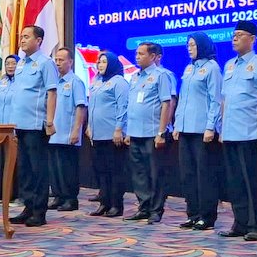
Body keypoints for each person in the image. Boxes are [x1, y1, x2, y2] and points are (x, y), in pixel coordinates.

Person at [219, 20, 257, 242]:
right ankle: (240, 223)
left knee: (254, 183)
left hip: (251, 132)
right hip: (231, 133)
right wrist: (222, 128)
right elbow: (225, 100)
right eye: (234, 34)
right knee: (236, 183)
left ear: (252, 39)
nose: (235, 38)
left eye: (240, 34)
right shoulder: (229, 66)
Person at [9, 26, 58, 226]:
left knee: (38, 170)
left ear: (38, 41)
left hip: (36, 125)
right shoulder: (21, 64)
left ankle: (39, 212)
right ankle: (28, 207)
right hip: (20, 124)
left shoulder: (46, 63)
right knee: (25, 171)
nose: (22, 40)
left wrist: (50, 121)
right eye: (21, 36)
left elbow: (52, 93)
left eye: (26, 37)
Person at [173, 32, 222, 231]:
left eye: (193, 45)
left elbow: (215, 100)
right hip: (185, 129)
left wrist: (210, 127)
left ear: (202, 45)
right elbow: (183, 99)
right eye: (188, 45)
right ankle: (193, 215)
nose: (189, 48)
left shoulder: (212, 68)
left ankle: (207, 216)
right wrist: (177, 125)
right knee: (188, 175)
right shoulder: (188, 68)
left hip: (202, 131)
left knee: (205, 175)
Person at [124, 42, 171, 224]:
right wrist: (128, 131)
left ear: (152, 57)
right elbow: (131, 105)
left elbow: (166, 104)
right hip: (135, 132)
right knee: (139, 173)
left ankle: (156, 210)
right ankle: (143, 207)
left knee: (155, 173)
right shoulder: (134, 77)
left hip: (152, 132)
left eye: (141, 54)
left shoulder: (161, 75)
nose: (137, 57)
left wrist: (161, 132)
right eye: (136, 53)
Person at [86, 52, 129, 218]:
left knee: (114, 171)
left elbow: (123, 107)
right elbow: (92, 106)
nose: (100, 65)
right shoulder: (97, 81)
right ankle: (104, 203)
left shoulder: (119, 82)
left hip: (112, 135)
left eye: (104, 62)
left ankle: (116, 205)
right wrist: (89, 126)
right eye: (99, 62)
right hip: (97, 134)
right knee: (101, 171)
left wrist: (119, 129)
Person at [48, 47, 87, 211]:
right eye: (56, 60)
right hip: (53, 133)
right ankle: (58, 197)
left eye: (61, 60)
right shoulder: (53, 82)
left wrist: (76, 130)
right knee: (54, 169)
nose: (58, 63)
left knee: (68, 170)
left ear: (70, 62)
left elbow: (81, 107)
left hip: (67, 134)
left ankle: (70, 199)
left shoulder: (75, 82)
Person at [0, 55, 19, 202]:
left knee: (15, 162)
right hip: (1, 128)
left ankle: (15, 194)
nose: (10, 66)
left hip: (15, 128)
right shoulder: (1, 83)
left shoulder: (21, 82)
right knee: (1, 161)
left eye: (13, 63)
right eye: (7, 63)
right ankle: (2, 194)